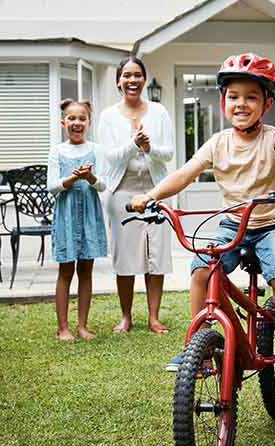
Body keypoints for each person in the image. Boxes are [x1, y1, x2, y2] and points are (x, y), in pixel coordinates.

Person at [129, 53, 275, 375]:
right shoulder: (218, 143)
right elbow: (185, 173)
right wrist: (151, 195)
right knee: (202, 267)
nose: (241, 104)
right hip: (234, 223)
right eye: (233, 97)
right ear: (222, 101)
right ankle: (198, 343)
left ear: (267, 103)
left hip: (271, 224)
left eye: (251, 97)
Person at [97, 56, 175, 335]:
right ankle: (126, 317)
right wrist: (133, 145)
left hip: (156, 191)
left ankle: (154, 317)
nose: (132, 80)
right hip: (122, 193)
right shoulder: (108, 116)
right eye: (127, 75)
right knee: (125, 257)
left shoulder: (159, 111)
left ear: (144, 79)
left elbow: (168, 153)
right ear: (119, 81)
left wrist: (149, 147)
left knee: (156, 255)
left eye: (137, 75)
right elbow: (108, 156)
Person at [48, 99, 108, 341]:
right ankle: (63, 328)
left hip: (89, 217)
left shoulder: (96, 150)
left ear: (89, 122)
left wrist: (90, 176)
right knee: (65, 271)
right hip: (66, 216)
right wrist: (70, 180)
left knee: (86, 270)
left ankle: (82, 326)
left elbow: (104, 185)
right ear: (63, 122)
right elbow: (51, 187)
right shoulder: (57, 151)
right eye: (71, 118)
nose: (77, 122)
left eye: (82, 118)